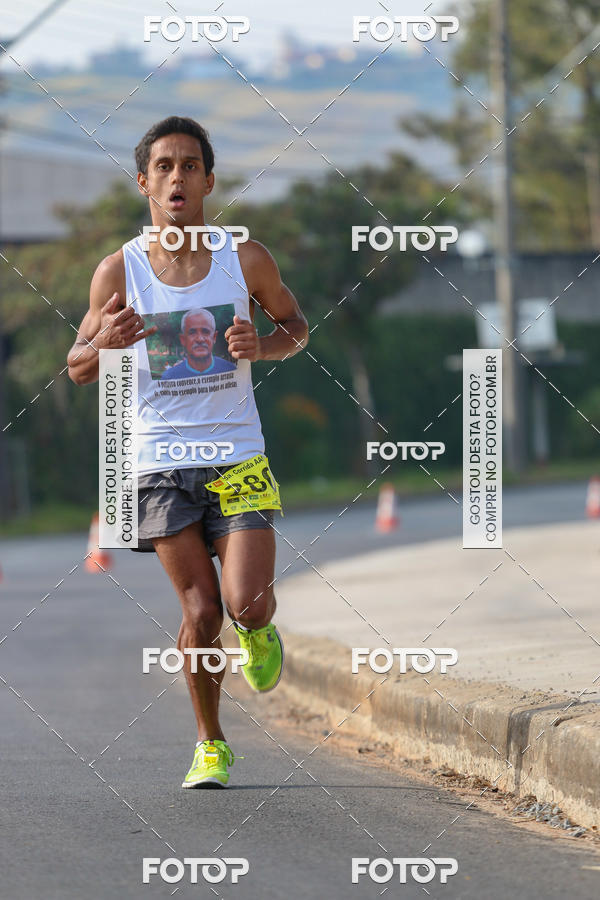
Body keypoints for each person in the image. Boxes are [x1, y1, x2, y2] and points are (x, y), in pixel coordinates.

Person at [67, 115, 308, 789]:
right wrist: (103, 343)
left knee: (246, 603)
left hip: (237, 455)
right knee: (200, 613)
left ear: (208, 179)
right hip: (157, 463)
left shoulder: (245, 259)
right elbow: (78, 368)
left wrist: (264, 345)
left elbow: (295, 324)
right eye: (164, 166)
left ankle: (259, 629)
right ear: (144, 181)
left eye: (190, 165)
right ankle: (211, 744)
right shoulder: (118, 271)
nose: (178, 176)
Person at [160, 307, 236, 380]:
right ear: (183, 339)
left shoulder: (231, 370)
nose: (200, 339)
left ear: (214, 337)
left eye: (205, 332)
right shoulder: (169, 377)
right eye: (192, 333)